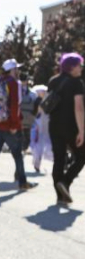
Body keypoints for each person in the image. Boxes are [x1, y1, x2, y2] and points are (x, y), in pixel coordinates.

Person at [0, 59, 37, 191]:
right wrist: (15, 124)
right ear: (12, 70)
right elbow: (15, 105)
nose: (18, 71)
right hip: (10, 125)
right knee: (17, 154)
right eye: (16, 69)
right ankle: (22, 182)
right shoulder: (13, 83)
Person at [47, 53, 85, 206]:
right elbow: (79, 108)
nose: (81, 68)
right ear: (71, 67)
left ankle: (60, 195)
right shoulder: (77, 83)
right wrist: (82, 130)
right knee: (81, 156)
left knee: (59, 159)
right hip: (71, 127)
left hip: (54, 126)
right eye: (79, 65)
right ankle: (65, 181)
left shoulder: (53, 81)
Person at [29, 84, 52, 173]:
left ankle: (37, 162)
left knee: (38, 144)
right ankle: (37, 162)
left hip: (40, 125)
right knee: (39, 144)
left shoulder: (38, 101)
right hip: (41, 126)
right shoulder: (42, 102)